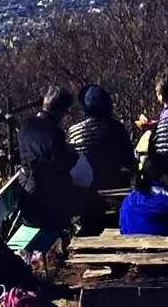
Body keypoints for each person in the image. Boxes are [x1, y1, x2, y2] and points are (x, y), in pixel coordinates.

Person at [17, 85, 105, 235]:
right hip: (49, 203)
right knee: (93, 200)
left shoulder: (25, 127)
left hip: (27, 200)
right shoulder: (54, 132)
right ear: (59, 111)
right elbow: (65, 165)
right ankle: (87, 242)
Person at [67, 84, 136, 191]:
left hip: (84, 189)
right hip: (115, 185)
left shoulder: (74, 131)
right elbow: (129, 162)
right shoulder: (116, 128)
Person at [118, 152, 168, 236]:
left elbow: (122, 227)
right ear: (164, 177)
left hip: (130, 246)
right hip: (167, 246)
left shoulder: (129, 198)